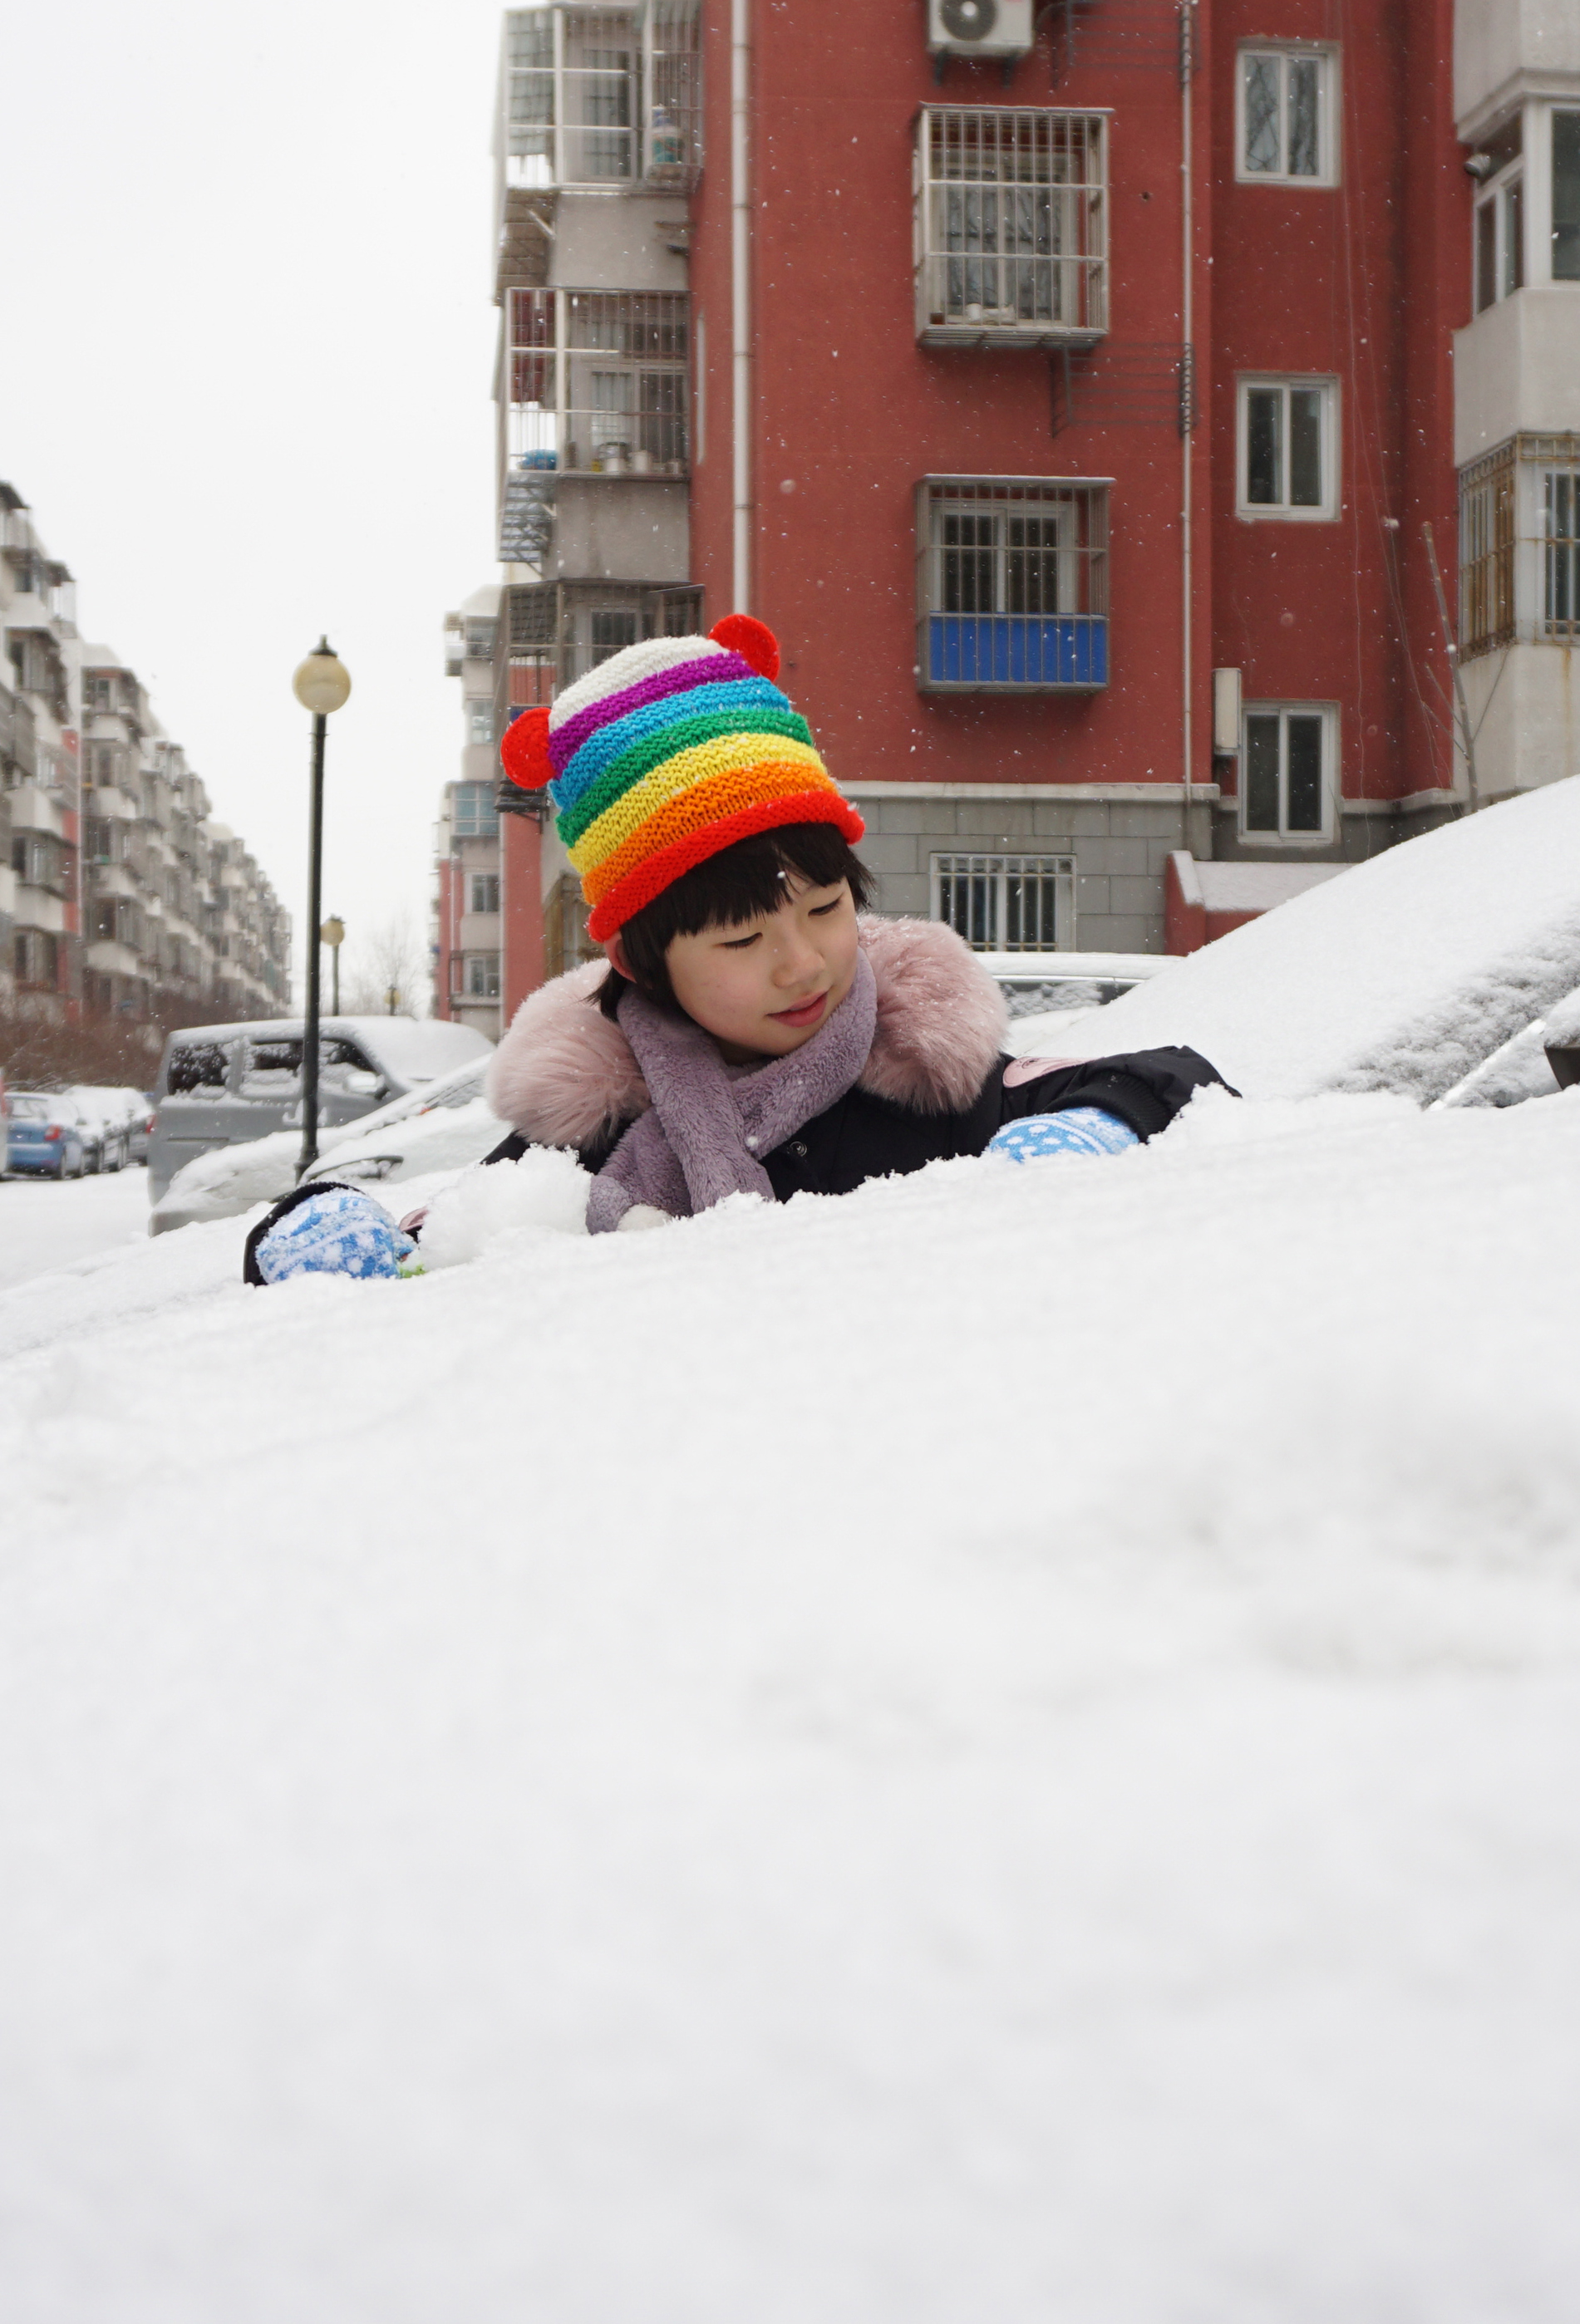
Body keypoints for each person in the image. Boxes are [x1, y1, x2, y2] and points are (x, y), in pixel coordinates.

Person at [480, 616, 1231, 1231]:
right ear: (643, 963)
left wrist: (1099, 1122)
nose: (803, 964)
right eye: (742, 940)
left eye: (824, 908)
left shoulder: (925, 1077)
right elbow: (447, 1232)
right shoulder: (589, 1127)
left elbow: (1171, 1083)